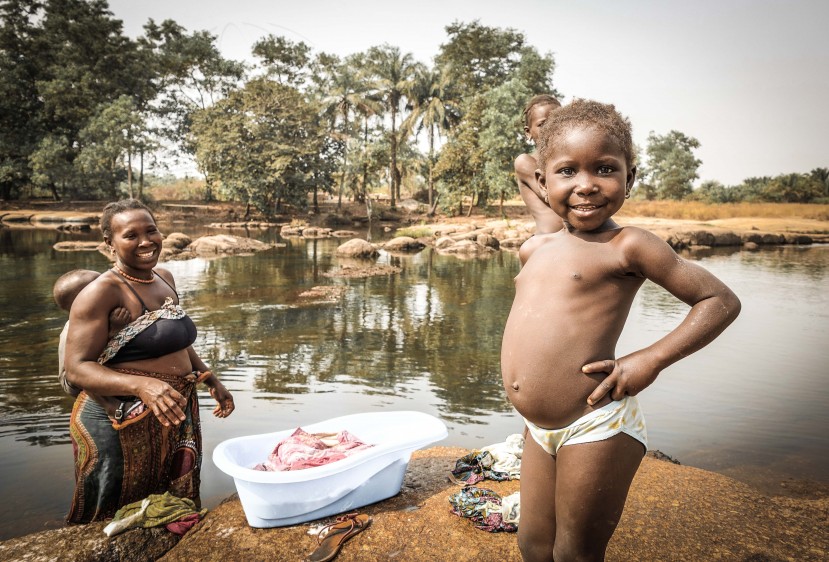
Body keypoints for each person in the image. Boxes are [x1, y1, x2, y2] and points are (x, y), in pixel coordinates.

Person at [501, 99, 741, 561]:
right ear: (542, 180)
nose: (586, 185)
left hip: (594, 423)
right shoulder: (535, 249)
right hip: (536, 426)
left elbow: (719, 302)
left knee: (576, 553)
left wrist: (648, 359)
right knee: (533, 545)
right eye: (567, 171)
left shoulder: (627, 245)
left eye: (605, 169)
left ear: (629, 179)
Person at [64, 199, 235, 524]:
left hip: (171, 409)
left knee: (165, 510)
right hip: (121, 421)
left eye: (151, 230)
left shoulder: (165, 276)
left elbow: (178, 340)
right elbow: (76, 368)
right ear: (109, 243)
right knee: (112, 517)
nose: (146, 241)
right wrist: (143, 385)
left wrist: (209, 378)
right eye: (131, 235)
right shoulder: (100, 293)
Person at [54, 269, 131, 417]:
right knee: (86, 370)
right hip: (73, 380)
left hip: (97, 365)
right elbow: (77, 368)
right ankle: (110, 405)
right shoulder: (72, 329)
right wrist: (114, 330)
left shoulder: (106, 315)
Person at [514, 94, 564, 235]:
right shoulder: (525, 162)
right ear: (528, 132)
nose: (551, 129)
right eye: (542, 124)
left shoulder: (571, 161)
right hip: (547, 243)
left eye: (557, 122)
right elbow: (556, 197)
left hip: (576, 242)